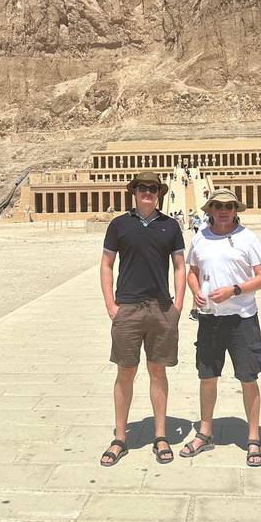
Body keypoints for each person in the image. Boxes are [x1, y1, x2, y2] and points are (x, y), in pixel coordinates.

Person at [100, 172, 186, 466]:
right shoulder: (119, 225)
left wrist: (178, 305)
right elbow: (107, 264)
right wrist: (111, 304)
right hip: (129, 308)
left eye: (152, 188)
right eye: (142, 188)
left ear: (160, 193)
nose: (147, 192)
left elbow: (179, 266)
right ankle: (120, 437)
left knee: (158, 372)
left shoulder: (170, 225)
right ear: (134, 192)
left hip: (161, 308)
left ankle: (160, 435)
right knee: (125, 372)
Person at [181, 190, 261, 467]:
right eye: (218, 206)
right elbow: (192, 271)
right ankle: (205, 432)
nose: (223, 211)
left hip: (242, 318)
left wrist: (235, 289)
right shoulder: (200, 237)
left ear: (235, 210)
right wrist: (195, 291)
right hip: (210, 318)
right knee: (207, 376)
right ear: (210, 209)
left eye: (228, 206)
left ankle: (253, 437)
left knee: (248, 376)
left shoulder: (247, 238)